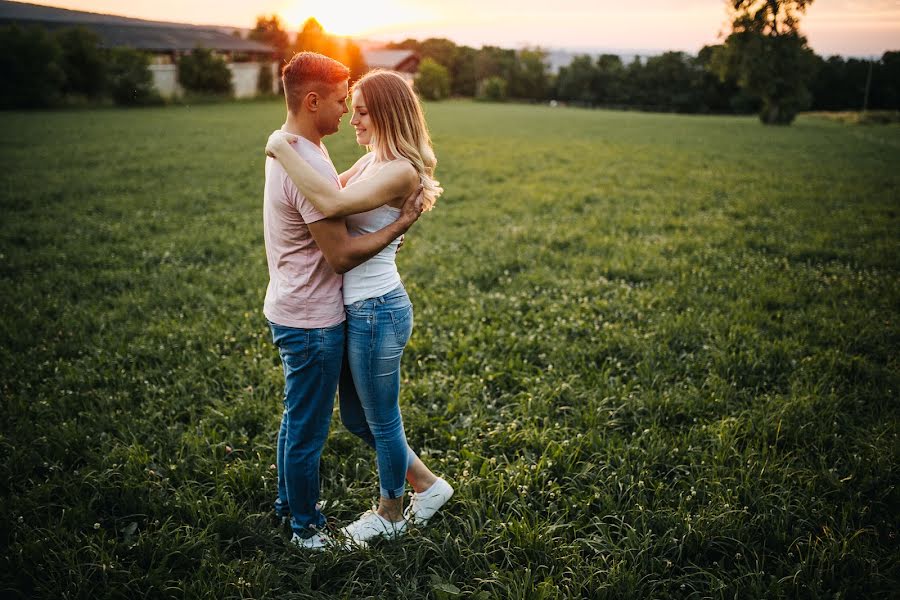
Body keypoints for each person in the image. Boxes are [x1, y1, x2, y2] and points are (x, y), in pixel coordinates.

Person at [265, 69, 453, 545]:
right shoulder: (375, 159)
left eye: (364, 111)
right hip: (359, 308)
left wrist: (282, 145)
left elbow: (331, 200)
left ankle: (391, 512)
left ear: (388, 114)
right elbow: (321, 186)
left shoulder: (401, 170)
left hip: (377, 308)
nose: (353, 119)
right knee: (356, 419)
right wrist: (292, 152)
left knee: (383, 420)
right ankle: (429, 486)